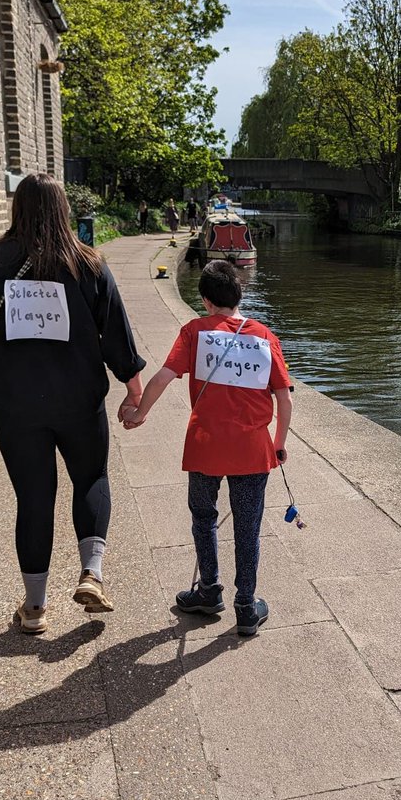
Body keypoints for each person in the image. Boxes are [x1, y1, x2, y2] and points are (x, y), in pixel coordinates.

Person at [0, 173, 146, 635]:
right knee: (91, 477)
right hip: (78, 398)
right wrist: (133, 384)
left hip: (14, 403)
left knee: (33, 496)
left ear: (18, 209)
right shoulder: (87, 264)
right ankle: (91, 572)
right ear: (63, 209)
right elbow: (114, 331)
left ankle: (34, 608)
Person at [122, 260, 292, 636]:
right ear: (240, 296)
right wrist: (278, 445)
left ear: (204, 301)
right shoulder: (264, 336)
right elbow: (284, 398)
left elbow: (165, 376)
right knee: (248, 527)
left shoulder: (195, 332)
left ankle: (209, 590)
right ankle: (246, 607)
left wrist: (139, 411)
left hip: (204, 446)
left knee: (203, 517)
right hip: (252, 449)